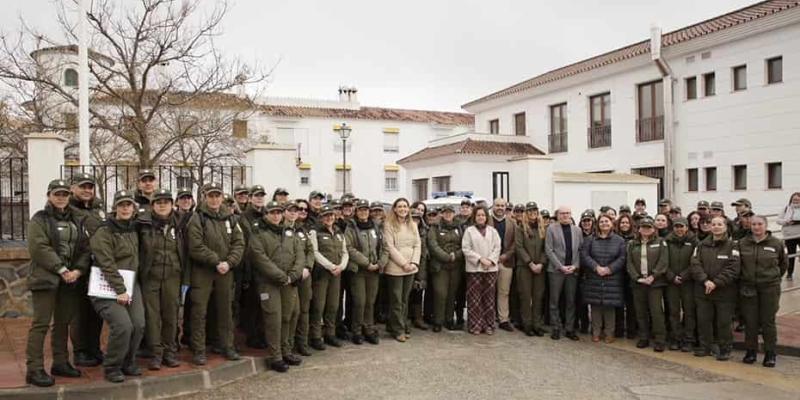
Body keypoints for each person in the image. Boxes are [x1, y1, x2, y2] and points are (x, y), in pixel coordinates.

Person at [25, 179, 91, 387]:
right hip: (46, 279)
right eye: (57, 194)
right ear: (49, 195)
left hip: (70, 279)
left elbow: (85, 247)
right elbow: (39, 248)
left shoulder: (76, 219)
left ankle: (60, 362)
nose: (61, 197)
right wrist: (61, 269)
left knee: (62, 322)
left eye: (64, 194)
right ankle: (34, 369)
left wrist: (79, 270)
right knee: (41, 323)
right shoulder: (40, 219)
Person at [90, 189, 145, 383]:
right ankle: (112, 366)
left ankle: (128, 362)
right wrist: (120, 290)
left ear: (133, 207)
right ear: (115, 208)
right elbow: (106, 263)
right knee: (123, 326)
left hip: (130, 284)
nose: (125, 208)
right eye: (121, 205)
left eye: (128, 204)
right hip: (107, 286)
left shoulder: (133, 228)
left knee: (138, 324)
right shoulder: (104, 231)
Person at [187, 183, 244, 365]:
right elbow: (195, 246)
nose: (214, 199)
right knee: (199, 311)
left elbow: (239, 243)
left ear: (222, 197)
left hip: (225, 271)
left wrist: (229, 262)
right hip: (203, 271)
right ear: (205, 197)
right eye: (211, 196)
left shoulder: (231, 218)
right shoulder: (197, 218)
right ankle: (199, 349)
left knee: (225, 310)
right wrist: (215, 261)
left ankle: (227, 346)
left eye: (217, 195)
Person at [248, 201, 304, 372]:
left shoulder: (289, 232)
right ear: (266, 215)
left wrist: (293, 275)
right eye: (272, 212)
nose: (276, 215)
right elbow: (259, 258)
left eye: (279, 212)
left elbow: (299, 254)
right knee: (274, 318)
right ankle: (276, 356)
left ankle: (286, 351)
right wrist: (281, 276)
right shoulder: (258, 233)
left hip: (288, 281)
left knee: (289, 316)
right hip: (269, 283)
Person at [136, 189, 184, 370]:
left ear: (172, 204)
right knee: (152, 317)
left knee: (171, 316)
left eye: (166, 201)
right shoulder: (142, 224)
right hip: (151, 277)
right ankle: (156, 353)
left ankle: (169, 352)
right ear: (152, 205)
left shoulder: (180, 223)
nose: (162, 205)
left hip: (173, 276)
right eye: (158, 202)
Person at [68, 172, 107, 368]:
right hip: (77, 267)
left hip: (98, 268)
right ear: (72, 188)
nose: (86, 190)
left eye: (89, 187)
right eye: (82, 186)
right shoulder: (67, 209)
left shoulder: (98, 210)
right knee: (79, 312)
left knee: (96, 311)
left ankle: (94, 348)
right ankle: (80, 351)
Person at [739, 215, 787, 367]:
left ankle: (770, 353)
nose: (756, 227)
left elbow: (783, 264)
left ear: (766, 226)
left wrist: (773, 278)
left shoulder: (777, 243)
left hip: (769, 287)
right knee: (750, 322)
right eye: (753, 224)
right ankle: (751, 351)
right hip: (749, 287)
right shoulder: (742, 243)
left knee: (768, 322)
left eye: (760, 224)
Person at [690, 216, 741, 361]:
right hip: (703, 290)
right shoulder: (701, 245)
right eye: (713, 224)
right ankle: (705, 347)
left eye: (719, 224)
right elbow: (695, 264)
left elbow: (733, 268)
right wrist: (705, 280)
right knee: (703, 320)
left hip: (724, 292)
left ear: (725, 227)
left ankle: (725, 349)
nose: (716, 227)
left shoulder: (733, 246)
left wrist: (715, 283)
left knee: (723, 322)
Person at [580, 214, 626, 343]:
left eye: (607, 221)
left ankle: (609, 333)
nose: (604, 224)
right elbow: (585, 255)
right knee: (595, 306)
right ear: (597, 224)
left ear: (612, 223)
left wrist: (609, 269)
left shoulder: (619, 240)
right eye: (602, 222)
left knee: (609, 306)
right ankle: (596, 332)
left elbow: (622, 258)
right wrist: (596, 267)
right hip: (594, 276)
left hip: (612, 277)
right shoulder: (590, 239)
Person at [344, 199, 384, 344]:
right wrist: (367, 263)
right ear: (356, 211)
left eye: (366, 210)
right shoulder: (351, 228)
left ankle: (368, 328)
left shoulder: (376, 226)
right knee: (359, 301)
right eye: (360, 210)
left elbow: (384, 247)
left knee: (370, 302)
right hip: (359, 270)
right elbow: (349, 248)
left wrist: (380, 263)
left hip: (374, 270)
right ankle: (356, 330)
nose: (363, 212)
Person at [308, 204, 348, 349]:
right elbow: (315, 252)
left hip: (337, 273)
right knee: (319, 306)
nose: (329, 218)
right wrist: (331, 266)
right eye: (326, 215)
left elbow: (345, 252)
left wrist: (341, 266)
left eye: (331, 215)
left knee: (333, 305)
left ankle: (330, 334)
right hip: (321, 274)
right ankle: (316, 336)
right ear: (321, 217)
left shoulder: (338, 232)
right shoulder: (314, 231)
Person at [626, 216, 668, 352]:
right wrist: (636, 277)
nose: (645, 229)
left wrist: (653, 276)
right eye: (643, 227)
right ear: (639, 229)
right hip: (638, 283)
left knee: (656, 312)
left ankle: (660, 340)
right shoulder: (633, 244)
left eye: (648, 227)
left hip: (654, 283)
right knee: (640, 312)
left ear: (653, 229)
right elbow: (629, 263)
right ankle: (643, 337)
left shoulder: (661, 242)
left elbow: (663, 261)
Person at [382, 198, 421, 342]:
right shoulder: (389, 225)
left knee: (405, 299)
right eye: (400, 206)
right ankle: (398, 330)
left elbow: (417, 245)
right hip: (395, 268)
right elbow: (390, 247)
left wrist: (414, 262)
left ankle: (399, 324)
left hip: (411, 268)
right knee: (396, 300)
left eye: (405, 206)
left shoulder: (413, 225)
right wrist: (404, 263)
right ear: (395, 209)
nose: (403, 209)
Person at [462, 206, 501, 335]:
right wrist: (480, 259)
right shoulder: (469, 231)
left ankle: (489, 325)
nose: (480, 217)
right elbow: (466, 248)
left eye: (483, 215)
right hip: (474, 269)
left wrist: (490, 260)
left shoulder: (493, 231)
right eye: (478, 215)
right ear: (474, 217)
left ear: (486, 217)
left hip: (491, 268)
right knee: (474, 299)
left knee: (489, 298)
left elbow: (497, 247)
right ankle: (475, 325)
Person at [545, 206, 583, 341]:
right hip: (556, 271)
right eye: (562, 213)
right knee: (554, 301)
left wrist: (575, 266)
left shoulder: (577, 230)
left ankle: (569, 329)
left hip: (572, 271)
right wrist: (560, 266)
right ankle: (556, 327)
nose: (565, 215)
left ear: (571, 215)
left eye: (567, 213)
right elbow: (549, 250)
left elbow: (580, 250)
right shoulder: (551, 229)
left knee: (571, 301)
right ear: (558, 215)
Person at [427, 204, 464, 332]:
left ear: (454, 214)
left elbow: (465, 244)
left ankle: (449, 319)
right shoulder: (435, 227)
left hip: (456, 265)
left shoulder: (459, 227)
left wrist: (456, 255)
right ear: (441, 214)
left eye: (450, 212)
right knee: (440, 293)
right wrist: (446, 257)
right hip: (440, 266)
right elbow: (432, 245)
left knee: (452, 294)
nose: (448, 214)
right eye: (445, 212)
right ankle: (438, 320)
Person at [664, 217, 698, 352]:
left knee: (689, 311)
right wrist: (671, 276)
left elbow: (695, 261)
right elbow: (663, 261)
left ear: (687, 227)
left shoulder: (694, 242)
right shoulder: (666, 241)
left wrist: (684, 276)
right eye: (677, 226)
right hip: (671, 282)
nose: (679, 229)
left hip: (688, 282)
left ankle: (689, 339)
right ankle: (675, 338)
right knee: (674, 312)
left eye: (682, 226)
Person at [515, 202, 548, 337]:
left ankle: (537, 324)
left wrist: (541, 263)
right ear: (526, 213)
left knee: (538, 297)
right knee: (525, 296)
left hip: (540, 268)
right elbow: (519, 247)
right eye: (530, 210)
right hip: (525, 267)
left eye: (535, 210)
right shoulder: (520, 228)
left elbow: (546, 248)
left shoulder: (543, 228)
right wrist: (530, 263)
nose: (532, 212)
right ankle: (527, 324)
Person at [486, 198, 517, 332]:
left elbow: (516, 243)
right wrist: (493, 257)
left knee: (504, 292)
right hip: (489, 261)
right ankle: (488, 319)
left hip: (506, 261)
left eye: (502, 206)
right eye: (497, 205)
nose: (500, 208)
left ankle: (503, 319)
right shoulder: (486, 221)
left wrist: (505, 256)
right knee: (488, 291)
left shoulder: (512, 223)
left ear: (506, 207)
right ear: (493, 206)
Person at [291, 199, 316, 356]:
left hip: (305, 275)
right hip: (290, 275)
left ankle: (302, 342)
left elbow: (310, 251)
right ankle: (289, 343)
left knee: (305, 310)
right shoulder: (282, 228)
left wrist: (307, 267)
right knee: (292, 311)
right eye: (298, 209)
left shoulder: (303, 230)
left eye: (305, 210)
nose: (302, 212)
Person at [614, 214, 637, 339]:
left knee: (631, 305)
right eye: (622, 222)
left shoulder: (635, 238)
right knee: (618, 304)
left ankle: (631, 331)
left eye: (626, 223)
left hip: (631, 275)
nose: (624, 225)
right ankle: (618, 329)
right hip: (618, 274)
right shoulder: (615, 238)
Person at [408, 209, 430, 332]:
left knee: (418, 291)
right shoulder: (404, 230)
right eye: (413, 218)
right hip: (406, 263)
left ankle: (417, 318)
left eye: (417, 218)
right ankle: (406, 318)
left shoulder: (424, 231)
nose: (415, 221)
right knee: (405, 294)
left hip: (421, 264)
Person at [777, 192, 800, 280]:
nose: (796, 201)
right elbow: (778, 220)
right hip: (789, 236)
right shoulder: (786, 208)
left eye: (798, 199)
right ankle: (789, 273)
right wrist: (786, 221)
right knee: (791, 255)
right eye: (794, 199)